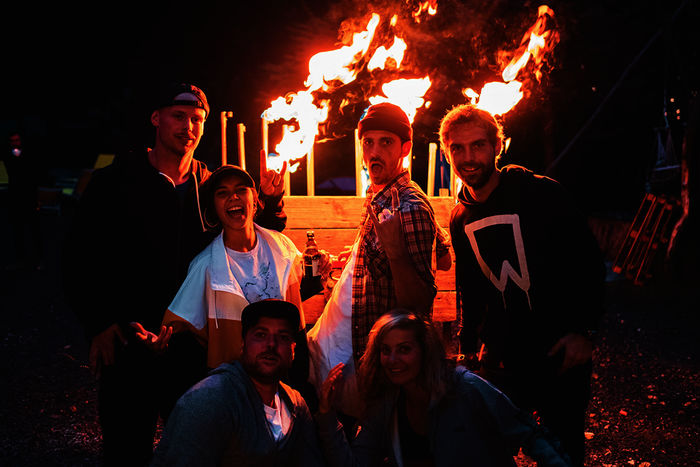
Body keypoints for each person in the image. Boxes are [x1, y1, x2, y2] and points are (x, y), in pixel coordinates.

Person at [62, 82, 288, 467]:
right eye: (179, 117)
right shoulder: (116, 182)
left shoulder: (211, 185)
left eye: (197, 119)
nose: (188, 127)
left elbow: (247, 235)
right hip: (128, 340)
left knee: (196, 448)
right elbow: (79, 257)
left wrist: (269, 201)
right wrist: (98, 323)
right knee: (126, 449)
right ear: (156, 118)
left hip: (189, 345)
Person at [438, 103, 605, 466]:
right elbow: (470, 286)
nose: (469, 157)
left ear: (497, 146)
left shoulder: (541, 193)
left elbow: (588, 262)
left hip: (558, 348)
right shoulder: (459, 216)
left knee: (561, 452)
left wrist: (584, 331)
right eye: (458, 148)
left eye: (478, 145)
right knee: (489, 449)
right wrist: (468, 347)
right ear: (448, 151)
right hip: (503, 357)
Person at [132, 164, 322, 398]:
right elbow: (178, 326)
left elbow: (298, 300)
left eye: (241, 189)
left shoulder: (283, 249)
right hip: (235, 391)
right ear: (214, 207)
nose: (233, 197)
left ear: (254, 200)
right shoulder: (206, 266)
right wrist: (160, 341)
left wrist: (320, 274)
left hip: (285, 383)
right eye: (222, 193)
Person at [306, 102, 442, 419]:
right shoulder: (378, 193)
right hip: (333, 343)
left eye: (386, 142)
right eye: (368, 142)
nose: (374, 151)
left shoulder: (410, 206)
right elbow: (378, 266)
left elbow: (419, 303)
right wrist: (350, 260)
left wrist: (394, 250)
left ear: (405, 147)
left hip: (359, 355)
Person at [317, 311, 572, 466]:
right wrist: (327, 416)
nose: (393, 360)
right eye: (386, 350)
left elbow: (529, 435)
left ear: (425, 351)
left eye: (404, 349)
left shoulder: (466, 388)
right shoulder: (386, 405)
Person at [151, 299, 325, 467]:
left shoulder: (295, 404)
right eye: (261, 335)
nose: (271, 344)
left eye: (283, 336)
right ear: (242, 344)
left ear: (293, 350)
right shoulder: (211, 401)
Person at [2, 131, 43, 270]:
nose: (15, 143)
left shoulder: (29, 157)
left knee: (33, 231)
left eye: (17, 140)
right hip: (16, 198)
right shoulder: (9, 157)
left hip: (28, 197)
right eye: (12, 140)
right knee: (18, 231)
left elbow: (33, 177)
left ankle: (38, 259)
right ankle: (21, 260)